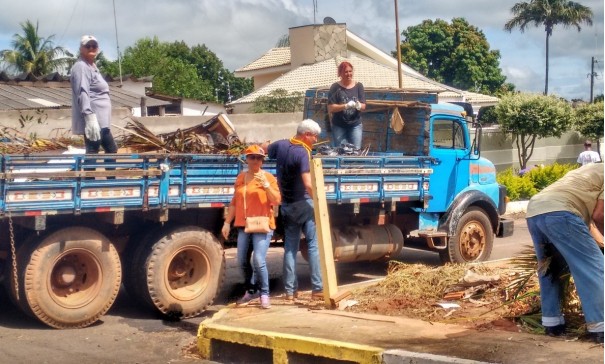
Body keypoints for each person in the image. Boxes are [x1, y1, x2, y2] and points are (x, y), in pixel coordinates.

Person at [525, 162, 604, 343]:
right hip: (562, 213)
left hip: (535, 210)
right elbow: (600, 216)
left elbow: (590, 222)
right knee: (594, 269)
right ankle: (600, 326)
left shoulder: (590, 169)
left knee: (551, 269)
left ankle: (552, 323)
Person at [267, 119, 323, 301]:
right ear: (306, 135)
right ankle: (317, 289)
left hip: (287, 205)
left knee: (290, 248)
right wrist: (319, 200)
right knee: (313, 247)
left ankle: (290, 292)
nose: (315, 140)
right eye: (315, 137)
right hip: (304, 204)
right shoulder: (302, 153)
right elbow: (307, 183)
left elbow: (264, 148)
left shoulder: (282, 144)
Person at [222, 145, 281, 309]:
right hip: (243, 224)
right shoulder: (241, 178)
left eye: (259, 158)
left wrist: (267, 186)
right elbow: (234, 202)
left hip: (263, 224)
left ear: (262, 160)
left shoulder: (268, 177)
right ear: (247, 159)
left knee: (259, 260)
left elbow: (276, 201)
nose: (255, 160)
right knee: (241, 260)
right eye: (252, 157)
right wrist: (227, 222)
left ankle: (264, 293)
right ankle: (251, 289)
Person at [70, 35, 118, 155]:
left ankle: (110, 175)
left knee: (111, 150)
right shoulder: (81, 67)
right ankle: (90, 174)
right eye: (88, 46)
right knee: (93, 152)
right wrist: (89, 117)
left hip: (102, 121)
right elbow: (82, 92)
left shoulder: (92, 66)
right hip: (94, 120)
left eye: (94, 45)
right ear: (81, 48)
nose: (91, 48)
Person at [327, 61, 366, 149]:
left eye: (350, 71)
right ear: (340, 73)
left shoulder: (359, 86)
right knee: (341, 151)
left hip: (355, 125)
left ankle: (354, 163)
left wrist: (359, 106)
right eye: (345, 72)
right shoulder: (335, 87)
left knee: (356, 151)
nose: (348, 74)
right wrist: (345, 106)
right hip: (339, 125)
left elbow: (364, 106)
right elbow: (330, 108)